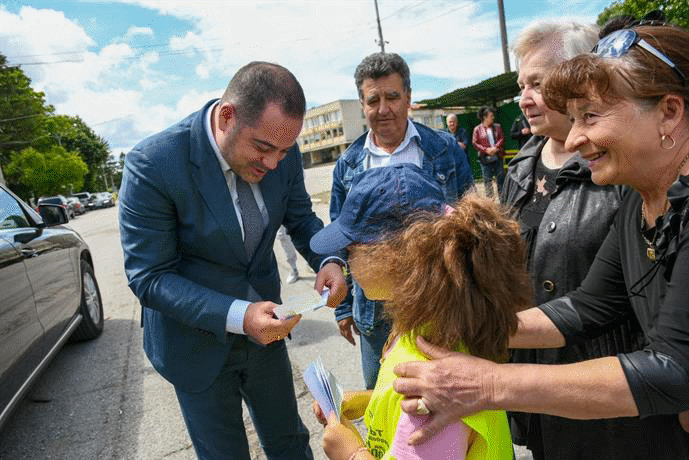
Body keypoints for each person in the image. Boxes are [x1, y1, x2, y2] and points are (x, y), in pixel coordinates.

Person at [392, 24, 689, 458]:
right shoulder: (640, 201)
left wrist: (487, 384)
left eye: (590, 115)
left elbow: (677, 369)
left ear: (669, 112)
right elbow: (588, 307)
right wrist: (457, 325)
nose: (573, 138)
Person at [118, 61, 347, 460]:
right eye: (262, 149)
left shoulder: (281, 152)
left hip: (267, 338)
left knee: (290, 443)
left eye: (284, 151)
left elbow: (301, 219)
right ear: (227, 117)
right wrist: (240, 316)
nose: (274, 163)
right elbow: (149, 276)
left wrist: (327, 257)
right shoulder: (153, 164)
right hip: (194, 346)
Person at [310, 164, 527, 460]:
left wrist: (350, 454)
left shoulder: (434, 377)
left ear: (392, 255)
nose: (347, 263)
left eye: (351, 250)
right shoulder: (432, 321)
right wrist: (367, 401)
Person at [503, 20, 645, 460]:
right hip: (534, 388)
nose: (525, 99)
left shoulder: (625, 172)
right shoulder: (520, 169)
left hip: (609, 402)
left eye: (538, 84)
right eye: (521, 85)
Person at [329, 52, 474, 390]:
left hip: (440, 305)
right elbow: (338, 237)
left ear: (408, 97)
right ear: (363, 105)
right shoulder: (347, 166)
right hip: (376, 312)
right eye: (373, 100)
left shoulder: (445, 150)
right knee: (383, 402)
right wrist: (342, 308)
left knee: (444, 402)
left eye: (392, 97)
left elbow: (471, 223)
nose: (384, 109)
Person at [472, 106, 505, 198]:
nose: (493, 117)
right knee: (487, 182)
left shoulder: (498, 126)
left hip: (498, 157)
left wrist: (495, 148)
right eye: (491, 116)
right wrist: (486, 150)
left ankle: (503, 201)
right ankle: (490, 203)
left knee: (501, 180)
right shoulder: (477, 129)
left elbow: (502, 138)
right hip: (485, 160)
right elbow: (475, 143)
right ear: (485, 117)